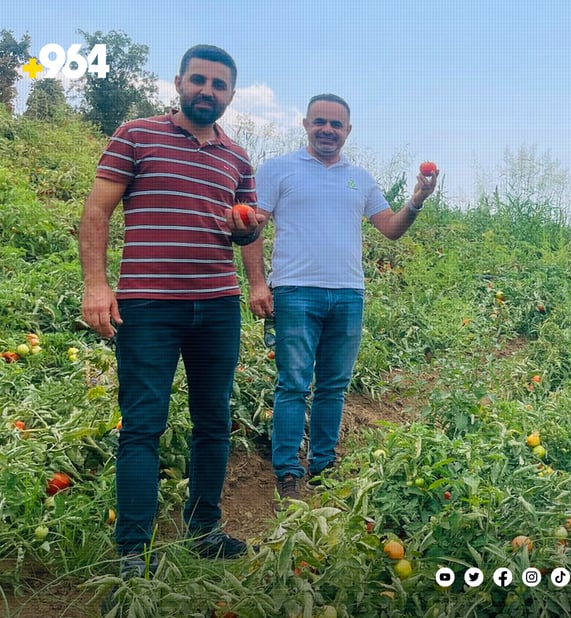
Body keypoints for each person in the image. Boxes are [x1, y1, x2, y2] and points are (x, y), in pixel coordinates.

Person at [79, 44, 262, 578]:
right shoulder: (136, 134)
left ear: (230, 94)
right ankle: (132, 553)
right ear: (180, 82)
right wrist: (96, 284)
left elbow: (245, 231)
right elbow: (97, 210)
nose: (208, 91)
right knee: (142, 426)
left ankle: (204, 529)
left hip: (218, 306)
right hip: (149, 305)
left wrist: (248, 234)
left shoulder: (237, 157)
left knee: (214, 420)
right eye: (199, 80)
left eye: (219, 85)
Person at [241, 94, 437, 501]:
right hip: (294, 292)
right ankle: (288, 472)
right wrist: (259, 284)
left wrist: (416, 200)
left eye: (336, 124)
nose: (327, 130)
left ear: (349, 130)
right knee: (293, 384)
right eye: (320, 122)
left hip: (348, 294)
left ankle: (324, 465)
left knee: (333, 385)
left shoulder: (360, 178)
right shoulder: (278, 170)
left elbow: (390, 228)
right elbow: (251, 228)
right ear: (305, 124)